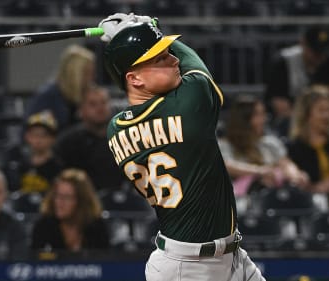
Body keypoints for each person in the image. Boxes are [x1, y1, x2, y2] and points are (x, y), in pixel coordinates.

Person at [98, 13, 264, 281]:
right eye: (160, 58)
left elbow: (138, 85)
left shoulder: (115, 127)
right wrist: (147, 27)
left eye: (167, 53)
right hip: (190, 268)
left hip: (220, 256)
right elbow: (195, 67)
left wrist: (131, 39)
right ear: (135, 78)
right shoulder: (188, 104)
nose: (173, 59)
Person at [265, 25, 329, 137]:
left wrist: (322, 113)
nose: (320, 57)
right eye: (315, 52)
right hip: (292, 124)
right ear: (303, 44)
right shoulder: (284, 63)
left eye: (323, 52)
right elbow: (280, 107)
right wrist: (312, 118)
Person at [218, 95, 309, 196]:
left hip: (273, 198)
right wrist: (261, 171)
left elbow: (286, 164)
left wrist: (296, 175)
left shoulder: (271, 143)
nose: (264, 119)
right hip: (240, 202)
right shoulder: (225, 145)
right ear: (243, 119)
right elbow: (227, 166)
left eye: (263, 114)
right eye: (258, 115)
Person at [54, 85, 126, 192]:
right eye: (93, 104)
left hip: (121, 202)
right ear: (81, 110)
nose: (100, 108)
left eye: (104, 102)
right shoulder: (67, 143)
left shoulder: (125, 138)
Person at [30, 168, 110, 254]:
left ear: (81, 201)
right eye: (57, 196)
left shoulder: (97, 228)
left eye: (67, 197)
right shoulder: (43, 227)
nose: (59, 202)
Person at [25, 44, 96, 131]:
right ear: (73, 74)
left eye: (92, 73)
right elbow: (35, 135)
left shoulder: (87, 96)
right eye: (86, 73)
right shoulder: (48, 97)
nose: (91, 79)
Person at [3, 111, 64, 193]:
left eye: (43, 135)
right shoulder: (18, 162)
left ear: (53, 138)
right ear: (27, 136)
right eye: (34, 134)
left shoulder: (58, 167)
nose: (38, 140)